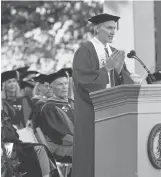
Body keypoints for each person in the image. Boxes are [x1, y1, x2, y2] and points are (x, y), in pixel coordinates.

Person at [72, 13, 135, 177]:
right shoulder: (84, 51)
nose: (113, 32)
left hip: (114, 113)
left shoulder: (114, 52)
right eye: (109, 28)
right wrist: (106, 69)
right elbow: (83, 83)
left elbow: (125, 84)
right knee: (92, 158)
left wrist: (120, 72)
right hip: (91, 114)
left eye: (114, 28)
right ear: (97, 28)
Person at [1, 110, 59, 177]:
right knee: (36, 151)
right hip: (7, 146)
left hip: (14, 143)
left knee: (42, 147)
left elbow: (14, 134)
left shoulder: (2, 114)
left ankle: (47, 175)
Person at [39, 70, 74, 161]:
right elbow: (59, 136)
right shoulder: (49, 108)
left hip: (77, 143)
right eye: (60, 84)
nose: (64, 87)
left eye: (66, 83)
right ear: (51, 88)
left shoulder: (71, 102)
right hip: (61, 150)